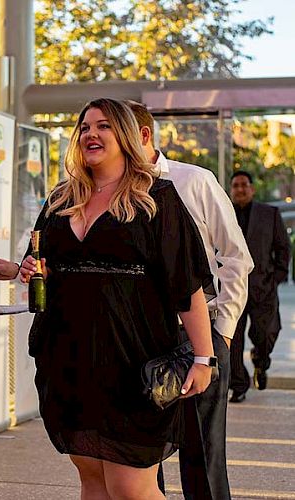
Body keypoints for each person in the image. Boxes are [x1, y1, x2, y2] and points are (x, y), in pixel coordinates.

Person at [19, 98, 216, 499]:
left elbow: (187, 285)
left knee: (131, 488)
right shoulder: (60, 200)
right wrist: (32, 270)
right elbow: (41, 263)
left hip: (133, 359)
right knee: (91, 477)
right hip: (69, 357)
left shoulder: (157, 198)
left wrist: (203, 357)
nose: (92, 133)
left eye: (104, 126)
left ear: (126, 135)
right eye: (85, 126)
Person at [127, 101, 253, 499]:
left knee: (203, 455)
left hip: (199, 335)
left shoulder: (194, 181)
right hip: (137, 340)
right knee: (141, 458)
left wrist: (224, 335)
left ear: (143, 135)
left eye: (116, 130)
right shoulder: (108, 190)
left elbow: (236, 257)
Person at [229, 170, 290, 400]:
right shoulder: (223, 213)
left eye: (244, 185)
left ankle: (261, 361)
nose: (240, 189)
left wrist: (276, 277)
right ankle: (239, 385)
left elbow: (283, 248)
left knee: (266, 334)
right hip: (232, 288)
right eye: (235, 185)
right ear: (231, 190)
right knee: (232, 340)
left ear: (252, 189)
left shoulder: (270, 213)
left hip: (263, 287)